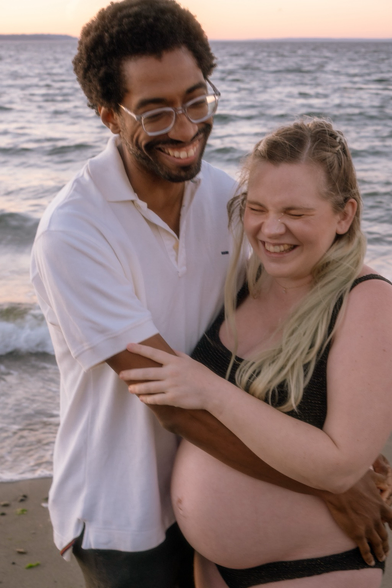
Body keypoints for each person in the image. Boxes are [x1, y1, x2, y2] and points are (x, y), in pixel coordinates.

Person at [30, 0, 392, 585]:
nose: (185, 127)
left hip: (223, 502)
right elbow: (168, 395)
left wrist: (342, 435)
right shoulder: (75, 232)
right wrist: (329, 482)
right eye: (154, 113)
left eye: (196, 100)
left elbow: (283, 308)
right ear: (108, 115)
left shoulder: (225, 198)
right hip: (127, 513)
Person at [120, 119, 392, 587]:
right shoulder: (249, 280)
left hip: (311, 569)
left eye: (296, 212)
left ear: (344, 215)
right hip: (211, 567)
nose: (270, 228)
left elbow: (341, 463)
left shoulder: (369, 302)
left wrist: (211, 391)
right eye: (257, 207)